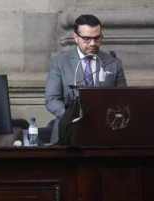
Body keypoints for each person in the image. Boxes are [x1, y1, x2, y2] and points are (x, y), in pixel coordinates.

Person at [45, 14, 127, 142]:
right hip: (68, 133)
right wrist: (72, 117)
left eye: (97, 38)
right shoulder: (60, 62)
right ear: (76, 37)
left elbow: (123, 99)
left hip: (105, 133)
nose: (93, 43)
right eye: (87, 39)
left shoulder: (114, 63)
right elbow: (52, 100)